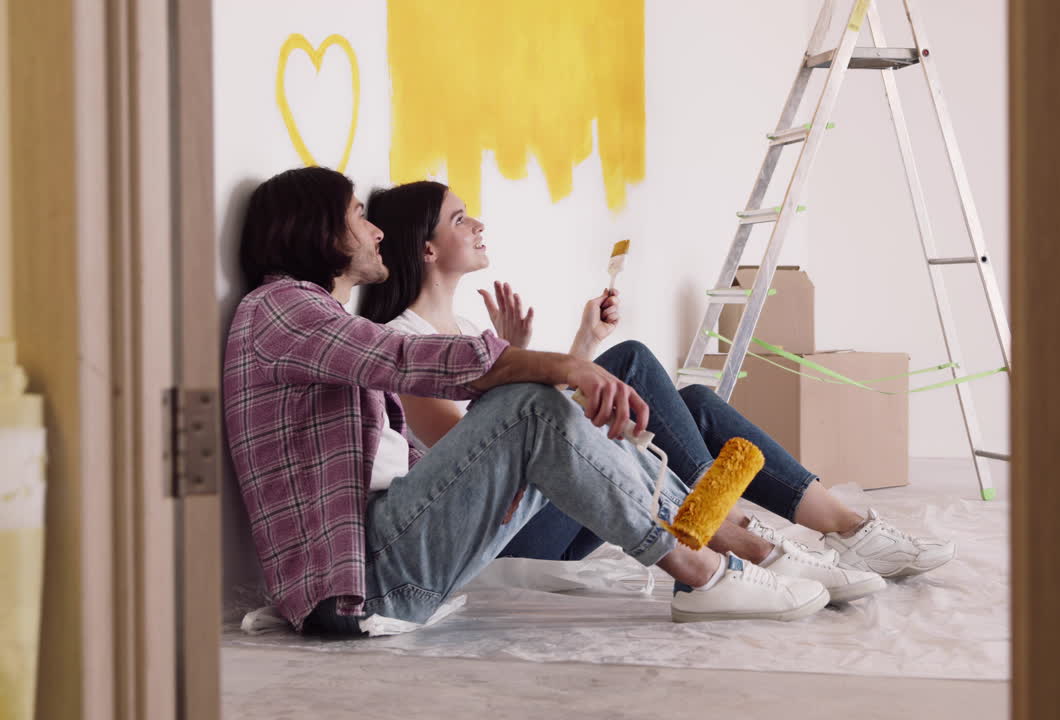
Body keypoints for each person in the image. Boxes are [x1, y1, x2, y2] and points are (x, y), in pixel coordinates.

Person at [224, 166, 853, 633]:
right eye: (360, 215)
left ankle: (742, 550)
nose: (375, 229)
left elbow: (441, 450)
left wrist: (552, 366)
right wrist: (567, 365)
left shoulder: (313, 318)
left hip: (389, 552)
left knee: (585, 400)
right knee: (542, 401)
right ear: (319, 228)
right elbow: (406, 361)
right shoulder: (281, 308)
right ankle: (710, 570)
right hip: (365, 576)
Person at [355, 180, 957, 599]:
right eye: (460, 218)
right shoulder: (400, 346)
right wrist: (535, 362)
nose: (479, 224)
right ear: (427, 247)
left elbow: (539, 422)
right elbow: (478, 461)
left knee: (694, 403)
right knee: (635, 363)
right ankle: (731, 537)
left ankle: (848, 528)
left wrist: (579, 344)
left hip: (549, 504)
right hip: (507, 536)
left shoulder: (466, 329)